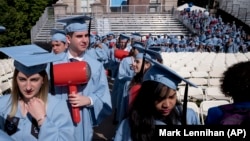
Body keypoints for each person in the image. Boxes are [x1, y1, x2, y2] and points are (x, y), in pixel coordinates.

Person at [55, 15, 112, 141]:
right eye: (79, 36)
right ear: (68, 39)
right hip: (59, 123)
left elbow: (104, 97)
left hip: (83, 123)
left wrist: (89, 100)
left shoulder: (96, 66)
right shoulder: (55, 65)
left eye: (86, 35)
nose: (85, 40)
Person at [114, 57, 200, 141]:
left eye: (171, 97)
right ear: (147, 97)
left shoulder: (188, 116)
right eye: (159, 98)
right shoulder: (130, 125)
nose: (166, 105)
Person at [0, 44, 74, 141]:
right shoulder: (4, 103)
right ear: (15, 80)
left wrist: (42, 119)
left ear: (43, 80)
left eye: (34, 80)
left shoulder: (57, 107)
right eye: (22, 79)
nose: (28, 87)